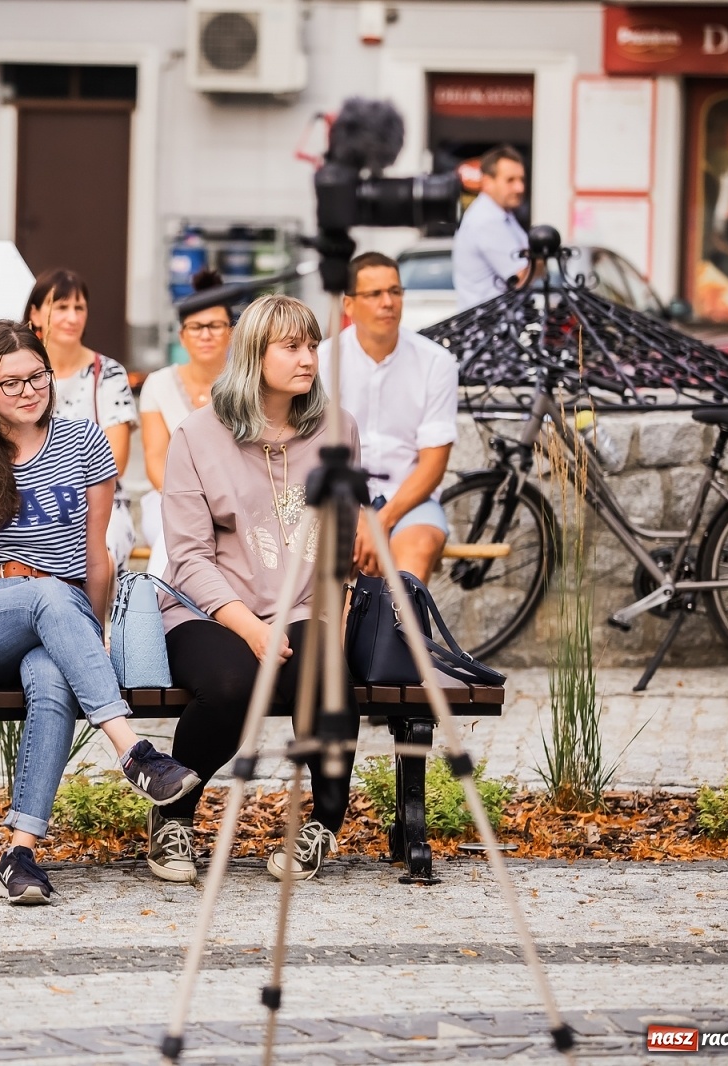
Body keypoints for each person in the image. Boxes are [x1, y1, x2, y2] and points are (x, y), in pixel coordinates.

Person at [0, 320, 199, 905]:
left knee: (54, 675)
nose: (29, 391)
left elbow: (95, 556)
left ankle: (20, 851)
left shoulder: (85, 441)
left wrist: (93, 636)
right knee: (49, 595)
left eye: (38, 377)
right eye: (11, 383)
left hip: (58, 615)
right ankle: (133, 750)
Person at [149, 294, 362, 884]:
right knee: (231, 684)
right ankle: (174, 814)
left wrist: (327, 626)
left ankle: (321, 826)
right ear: (253, 354)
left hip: (300, 606)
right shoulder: (197, 434)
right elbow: (187, 556)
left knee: (328, 679)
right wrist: (249, 627)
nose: (308, 359)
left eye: (313, 345)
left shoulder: (338, 428)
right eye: (292, 347)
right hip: (207, 608)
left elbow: (339, 547)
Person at [320, 253, 458, 582]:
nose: (388, 303)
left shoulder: (436, 362)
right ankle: (342, 634)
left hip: (408, 500)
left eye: (395, 292)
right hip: (340, 500)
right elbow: (312, 452)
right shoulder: (324, 361)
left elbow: (433, 463)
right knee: (330, 556)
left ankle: (398, 634)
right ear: (349, 305)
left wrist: (381, 521)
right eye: (375, 294)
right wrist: (358, 518)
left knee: (420, 547)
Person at [25, 269, 137, 569]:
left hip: (99, 504)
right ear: (35, 314)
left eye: (79, 308)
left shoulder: (108, 373)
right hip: (25, 501)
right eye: (61, 307)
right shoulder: (18, 374)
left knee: (98, 560)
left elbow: (116, 461)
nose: (72, 317)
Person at [139, 269, 233, 577]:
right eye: (196, 327)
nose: (205, 335)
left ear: (230, 332)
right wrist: (188, 500)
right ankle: (155, 617)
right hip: (168, 495)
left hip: (234, 496)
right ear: (182, 335)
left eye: (215, 326)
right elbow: (155, 458)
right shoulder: (158, 383)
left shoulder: (246, 385)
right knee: (172, 541)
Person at [452, 145, 530, 311]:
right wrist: (540, 258)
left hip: (499, 327)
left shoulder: (502, 215)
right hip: (489, 331)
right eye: (510, 180)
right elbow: (521, 277)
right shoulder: (486, 219)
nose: (520, 188)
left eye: (521, 179)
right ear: (487, 182)